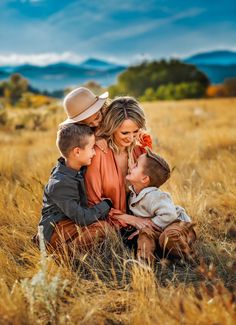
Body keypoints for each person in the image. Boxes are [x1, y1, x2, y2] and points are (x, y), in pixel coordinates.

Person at [37, 123, 113, 253]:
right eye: (91, 148)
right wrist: (106, 204)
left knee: (105, 228)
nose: (94, 153)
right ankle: (64, 255)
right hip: (56, 229)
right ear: (77, 151)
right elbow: (82, 218)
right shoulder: (60, 183)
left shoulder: (75, 168)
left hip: (70, 223)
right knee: (102, 229)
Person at [85, 96, 155, 235]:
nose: (131, 138)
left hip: (141, 219)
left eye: (135, 132)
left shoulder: (140, 150)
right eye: (125, 133)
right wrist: (130, 219)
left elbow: (151, 191)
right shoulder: (98, 153)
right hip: (109, 224)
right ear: (111, 128)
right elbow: (93, 202)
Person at [119, 148, 197, 261]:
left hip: (178, 225)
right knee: (145, 233)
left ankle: (189, 258)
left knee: (169, 237)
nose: (131, 166)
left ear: (145, 179)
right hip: (159, 230)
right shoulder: (133, 194)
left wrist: (151, 222)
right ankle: (144, 261)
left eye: (135, 165)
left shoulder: (155, 196)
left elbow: (169, 215)